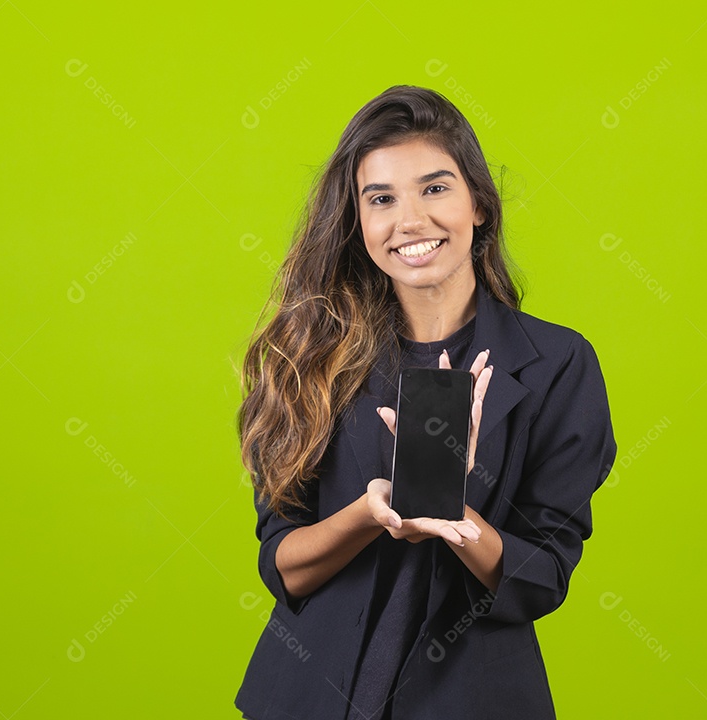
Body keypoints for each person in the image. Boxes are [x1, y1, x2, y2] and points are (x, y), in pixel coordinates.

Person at [234, 85, 617, 720]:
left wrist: (450, 510)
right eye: (381, 199)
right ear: (358, 225)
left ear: (479, 206)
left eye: (435, 189)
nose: (410, 221)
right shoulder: (312, 359)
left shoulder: (558, 364)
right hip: (308, 700)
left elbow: (543, 578)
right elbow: (283, 567)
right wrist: (370, 511)